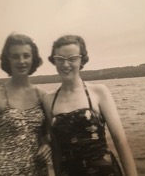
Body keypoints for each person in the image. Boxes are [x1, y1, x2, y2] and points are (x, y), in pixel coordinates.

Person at [41, 35, 138, 176]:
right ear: (54, 61)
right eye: (60, 59)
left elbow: (120, 141)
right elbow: (56, 149)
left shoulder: (99, 92)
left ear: (82, 60)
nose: (65, 64)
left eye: (72, 58)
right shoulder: (49, 99)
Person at [0, 33, 51, 176]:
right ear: (8, 59)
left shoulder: (42, 96)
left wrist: (47, 146)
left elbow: (48, 137)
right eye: (15, 56)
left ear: (33, 58)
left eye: (26, 55)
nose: (21, 61)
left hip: (39, 172)